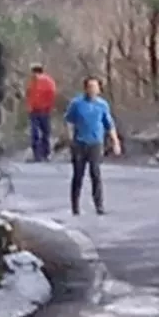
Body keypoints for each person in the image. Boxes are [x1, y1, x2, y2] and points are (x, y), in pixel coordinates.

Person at [63, 77, 121, 215]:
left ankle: (99, 205)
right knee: (78, 175)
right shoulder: (77, 103)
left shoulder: (102, 105)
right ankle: (75, 206)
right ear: (85, 89)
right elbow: (68, 121)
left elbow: (109, 125)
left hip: (96, 143)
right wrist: (70, 138)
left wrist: (115, 142)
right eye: (90, 87)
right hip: (79, 143)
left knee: (96, 173)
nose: (93, 89)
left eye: (95, 87)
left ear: (99, 89)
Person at [25, 64, 56, 162]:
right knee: (45, 132)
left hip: (36, 110)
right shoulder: (50, 81)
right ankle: (45, 153)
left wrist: (29, 106)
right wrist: (49, 107)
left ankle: (37, 155)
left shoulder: (34, 81)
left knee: (35, 133)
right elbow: (52, 94)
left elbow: (30, 95)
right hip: (44, 110)